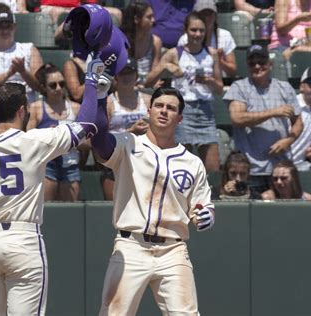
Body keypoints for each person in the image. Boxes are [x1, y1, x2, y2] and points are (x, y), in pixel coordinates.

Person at [0, 53, 106, 314]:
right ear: (20, 110)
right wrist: (93, 82)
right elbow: (85, 125)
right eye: (27, 107)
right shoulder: (33, 142)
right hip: (23, 240)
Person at [90, 85, 215, 315]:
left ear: (180, 118)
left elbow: (203, 205)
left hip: (173, 250)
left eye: (171, 108)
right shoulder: (129, 143)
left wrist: (207, 215)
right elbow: (99, 142)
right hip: (131, 245)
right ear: (148, 111)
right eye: (159, 105)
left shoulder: (192, 162)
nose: (164, 111)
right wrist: (99, 98)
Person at [223, 44, 303, 194]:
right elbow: (237, 117)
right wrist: (273, 112)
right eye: (252, 63)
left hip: (280, 169)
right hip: (251, 170)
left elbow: (298, 122)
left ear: (270, 64)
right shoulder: (239, 87)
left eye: (262, 62)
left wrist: (289, 140)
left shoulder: (284, 88)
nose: (257, 66)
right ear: (247, 66)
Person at [158, 11, 224, 172]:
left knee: (213, 168)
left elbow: (220, 88)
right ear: (186, 30)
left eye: (201, 30)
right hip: (183, 111)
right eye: (194, 30)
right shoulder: (175, 52)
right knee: (183, 167)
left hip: (206, 112)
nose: (198, 34)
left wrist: (209, 81)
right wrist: (167, 66)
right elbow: (151, 78)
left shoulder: (212, 53)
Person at [0, 3, 43, 135]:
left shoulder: (29, 49)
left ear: (14, 27)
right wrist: (9, 73)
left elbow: (40, 86)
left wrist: (23, 71)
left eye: (8, 26)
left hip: (22, 117)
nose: (4, 31)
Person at [26, 63, 82, 201]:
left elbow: (89, 142)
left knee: (70, 212)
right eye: (53, 85)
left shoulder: (76, 109)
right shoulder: (36, 108)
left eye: (62, 84)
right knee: (47, 210)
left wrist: (68, 140)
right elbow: (28, 141)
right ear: (44, 87)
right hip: (46, 164)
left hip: (70, 165)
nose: (58, 88)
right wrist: (49, 137)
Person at [101, 57, 151, 200]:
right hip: (116, 160)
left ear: (136, 76)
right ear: (116, 76)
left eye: (130, 73)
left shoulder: (147, 100)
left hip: (144, 160)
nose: (126, 77)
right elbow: (101, 138)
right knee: (115, 207)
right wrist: (130, 132)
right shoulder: (108, 103)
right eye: (122, 73)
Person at [177, 0, 237, 77]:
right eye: (203, 14)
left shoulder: (225, 35)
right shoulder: (184, 39)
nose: (207, 18)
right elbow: (179, 71)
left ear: (215, 16)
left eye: (210, 14)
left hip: (221, 82)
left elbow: (232, 72)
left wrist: (219, 61)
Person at [120, 2, 163, 87]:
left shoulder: (155, 42)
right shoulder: (121, 41)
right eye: (149, 17)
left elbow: (155, 75)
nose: (153, 20)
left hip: (146, 87)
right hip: (124, 87)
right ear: (136, 19)